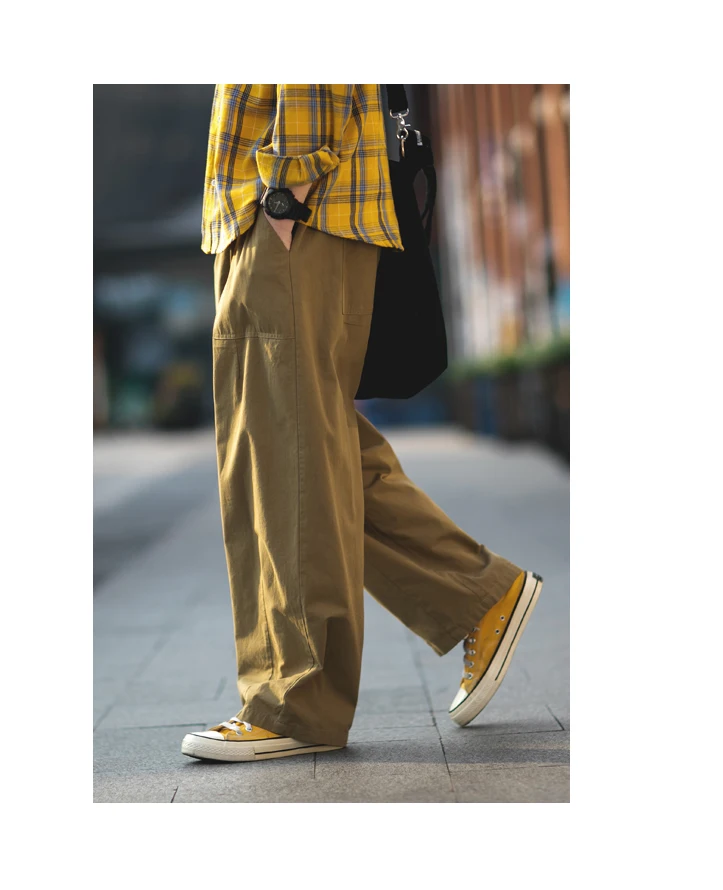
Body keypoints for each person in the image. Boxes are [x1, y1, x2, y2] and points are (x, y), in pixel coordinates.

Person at [181, 84, 542, 763]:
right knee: (298, 448)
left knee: (290, 463)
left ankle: (298, 704)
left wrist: (285, 192)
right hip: (262, 217)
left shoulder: (289, 205)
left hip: (293, 214)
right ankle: (479, 595)